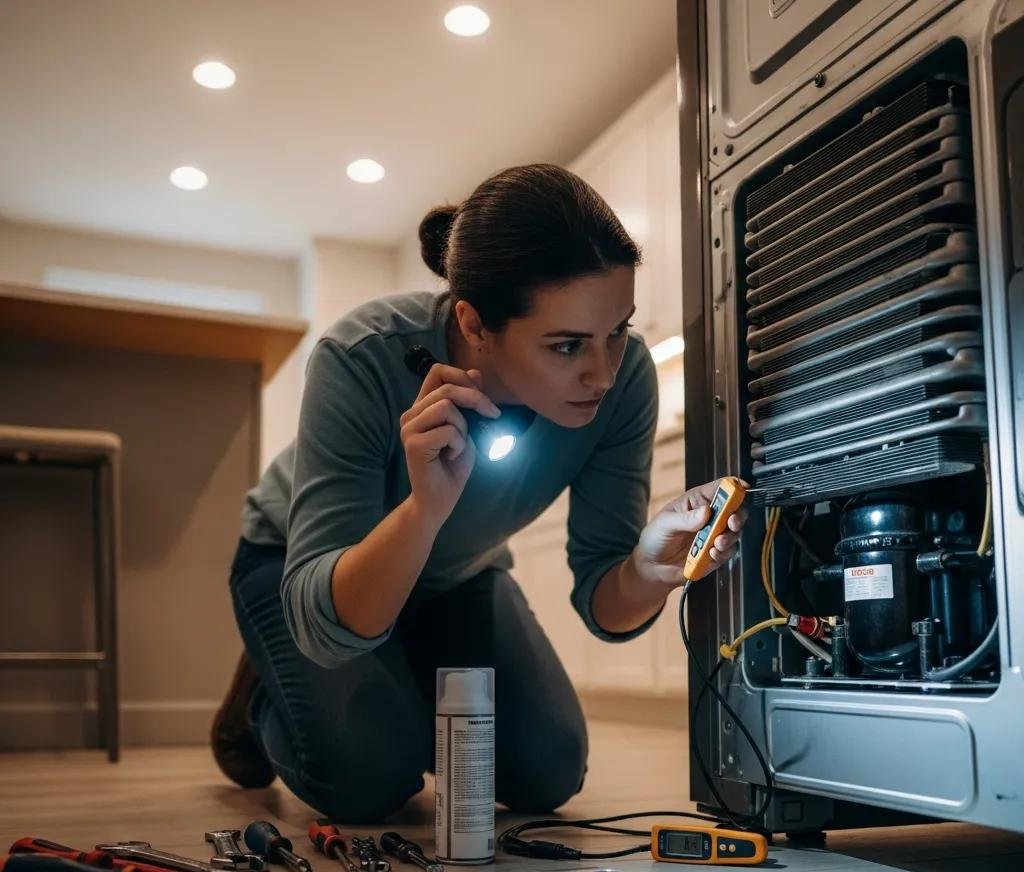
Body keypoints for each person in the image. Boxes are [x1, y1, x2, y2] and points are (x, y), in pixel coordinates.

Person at [212, 163, 746, 823]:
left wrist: (648, 570)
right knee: (369, 777)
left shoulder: (625, 380)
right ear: (475, 323)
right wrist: (424, 508)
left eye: (618, 332)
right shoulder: (362, 356)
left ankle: (389, 679)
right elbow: (328, 622)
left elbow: (604, 603)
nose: (603, 373)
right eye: (566, 345)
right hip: (300, 567)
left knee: (548, 769)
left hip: (455, 575)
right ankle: (262, 699)